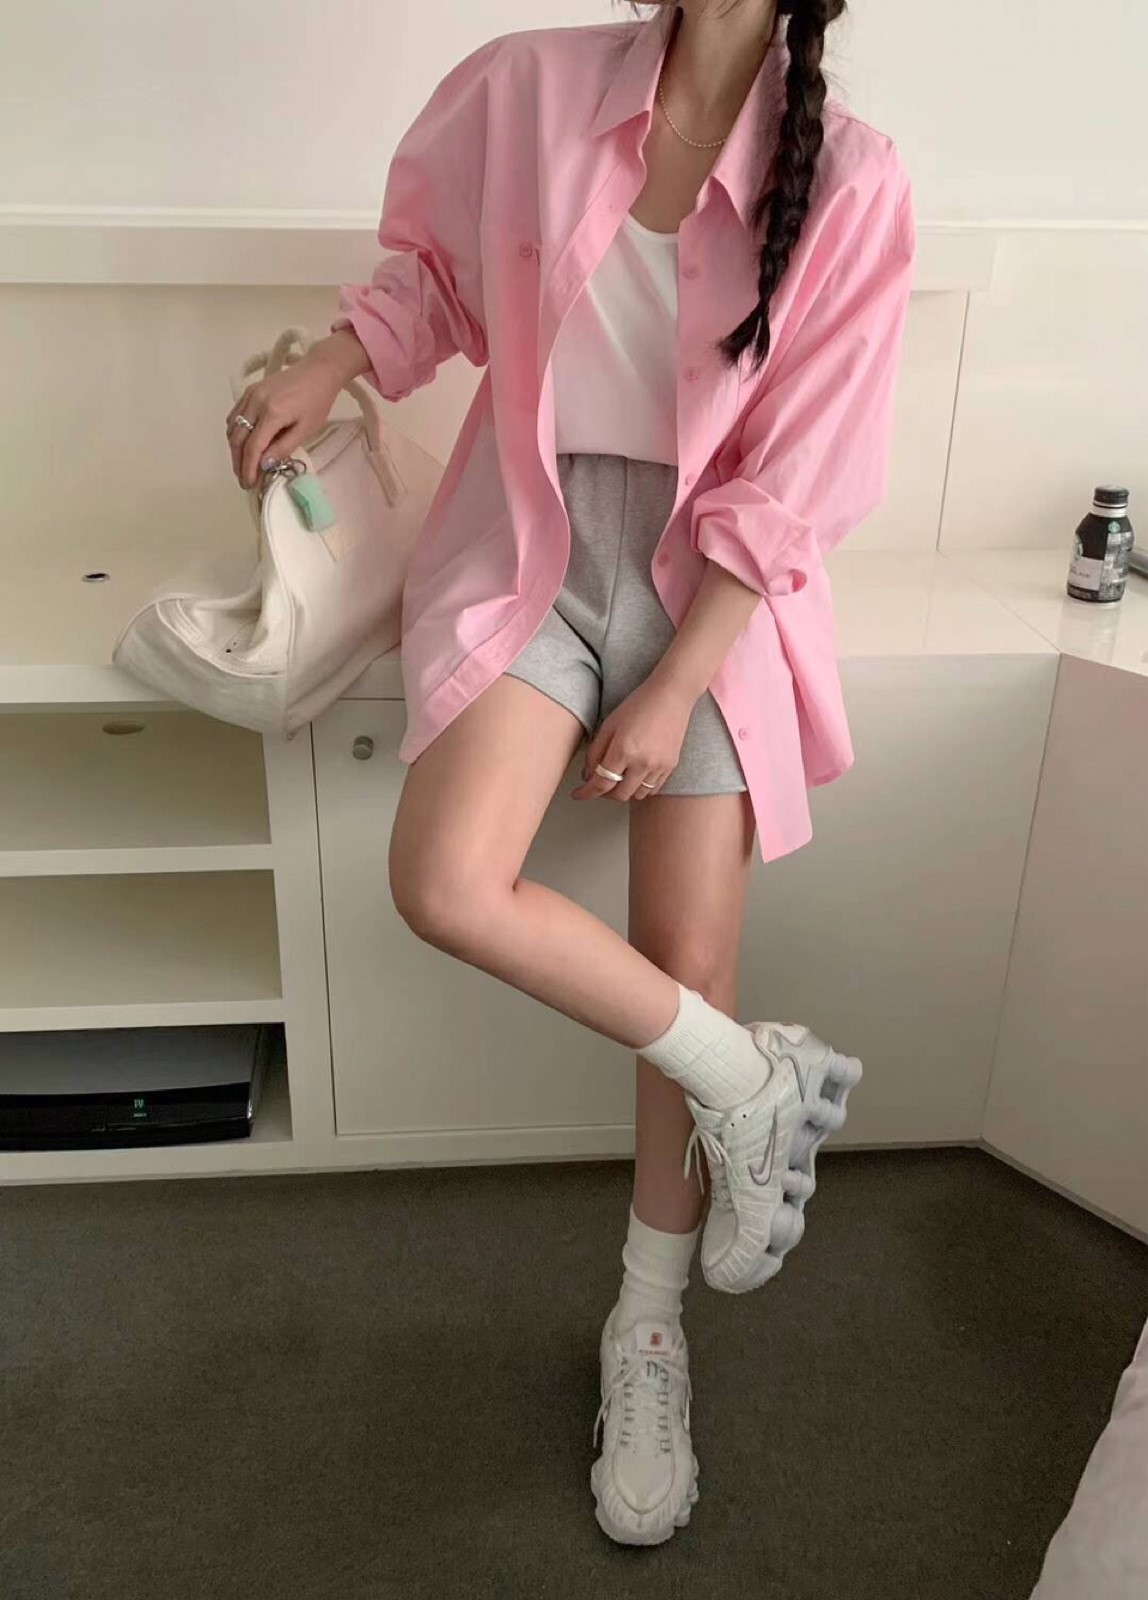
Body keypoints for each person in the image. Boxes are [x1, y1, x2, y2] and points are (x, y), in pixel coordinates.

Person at [225, 0, 914, 1548]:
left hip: (716, 580)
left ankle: (646, 1329)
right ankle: (756, 1083)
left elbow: (801, 476)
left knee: (690, 957)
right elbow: (442, 280)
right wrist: (333, 362)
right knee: (445, 881)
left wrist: (675, 684)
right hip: (532, 534)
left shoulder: (854, 178)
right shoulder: (526, 86)